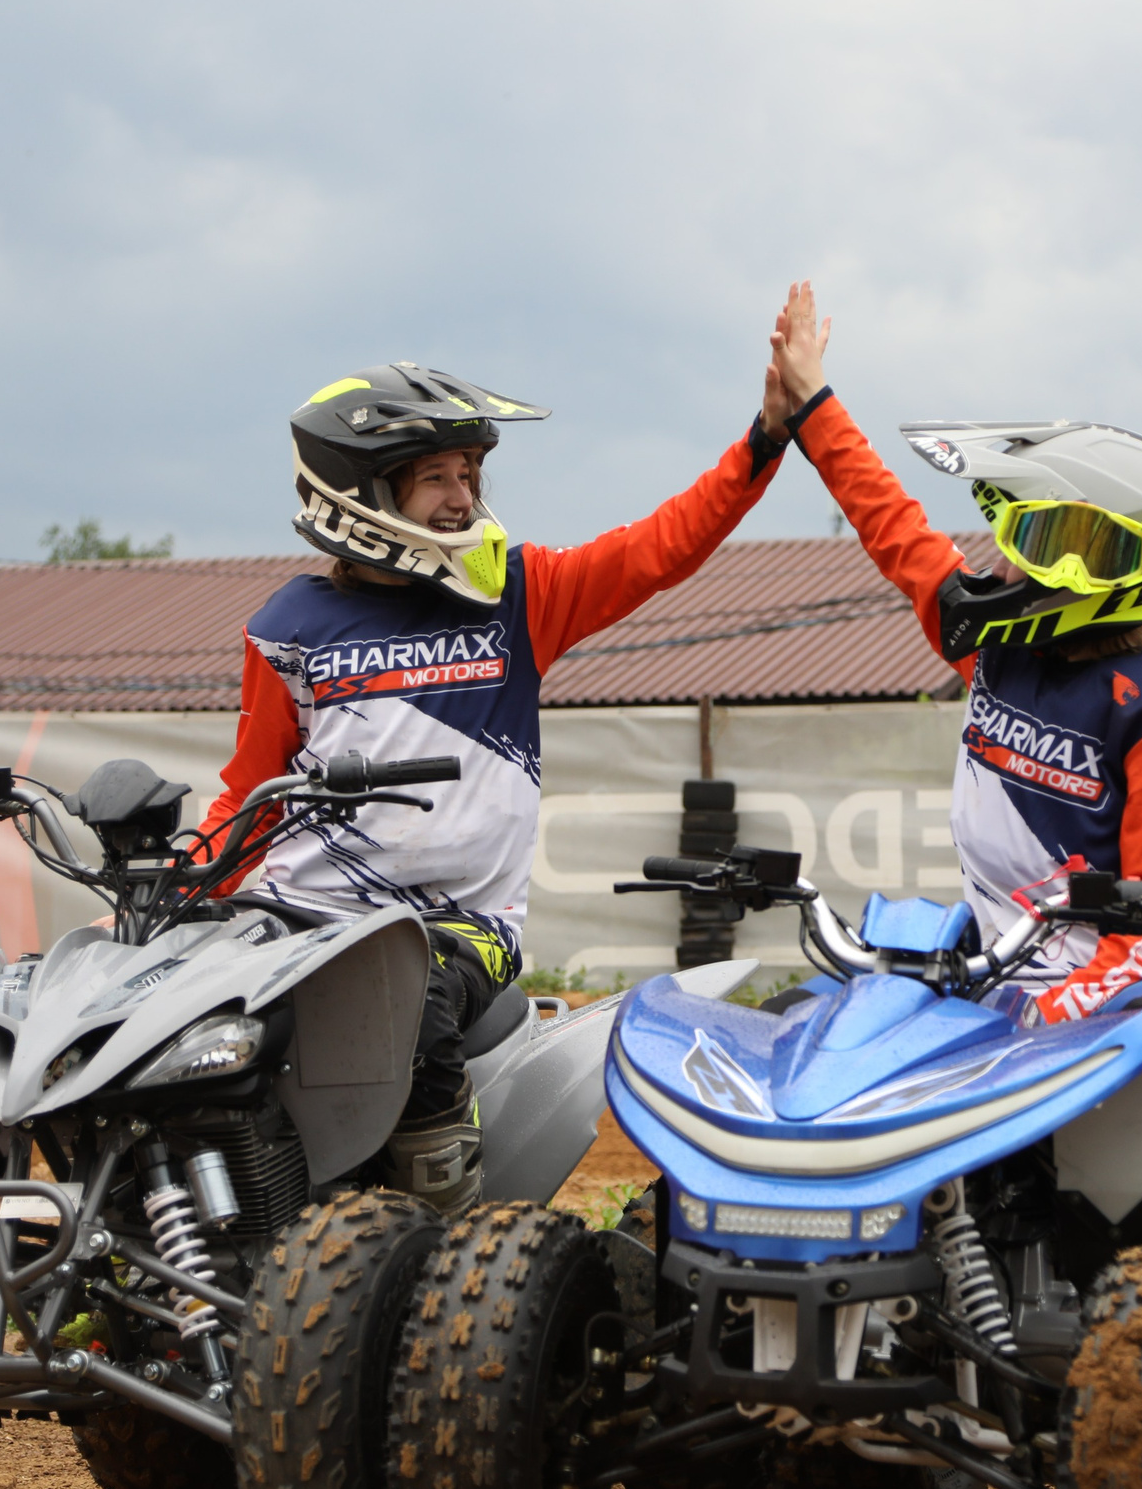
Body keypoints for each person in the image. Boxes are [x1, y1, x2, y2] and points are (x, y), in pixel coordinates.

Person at [195, 349, 797, 1213]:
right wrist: (178, 888)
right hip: (300, 915)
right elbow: (252, 792)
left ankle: (449, 1227)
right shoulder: (287, 627)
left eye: (469, 472)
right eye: (436, 477)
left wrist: (763, 441)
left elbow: (659, 548)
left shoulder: (518, 596)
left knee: (404, 995)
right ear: (361, 493)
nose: (463, 496)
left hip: (455, 927)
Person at [766, 282, 1142, 1249]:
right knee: (811, 1028)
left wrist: (1052, 1010)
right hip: (992, 974)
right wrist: (813, 405)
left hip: (1122, 1002)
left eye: (1067, 540)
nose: (1029, 561)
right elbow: (891, 522)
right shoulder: (997, 645)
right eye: (1030, 530)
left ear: (1132, 561)